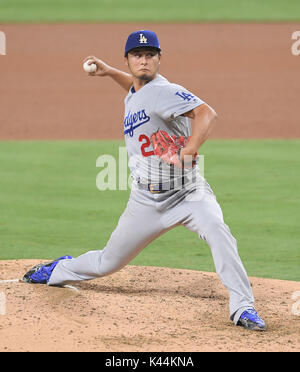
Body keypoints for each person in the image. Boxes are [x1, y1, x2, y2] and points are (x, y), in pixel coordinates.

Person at [23, 30, 266, 331]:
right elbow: (137, 92)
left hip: (187, 194)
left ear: (159, 59)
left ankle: (243, 307)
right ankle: (58, 269)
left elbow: (207, 113)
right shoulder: (138, 91)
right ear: (127, 60)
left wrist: (191, 147)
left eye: (150, 54)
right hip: (146, 201)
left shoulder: (165, 91)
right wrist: (110, 72)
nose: (144, 60)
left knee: (218, 230)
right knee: (107, 263)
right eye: (137, 55)